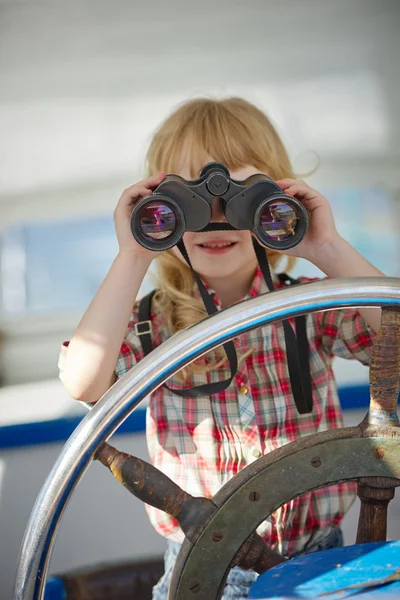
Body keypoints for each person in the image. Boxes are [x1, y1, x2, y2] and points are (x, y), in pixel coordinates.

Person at [59, 97, 384, 600]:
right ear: (157, 210)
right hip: (203, 566)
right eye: (187, 199)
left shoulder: (308, 304)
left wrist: (326, 247)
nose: (216, 217)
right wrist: (132, 255)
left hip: (322, 556)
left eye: (241, 196)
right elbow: (82, 380)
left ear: (278, 201)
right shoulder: (153, 324)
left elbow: (396, 336)